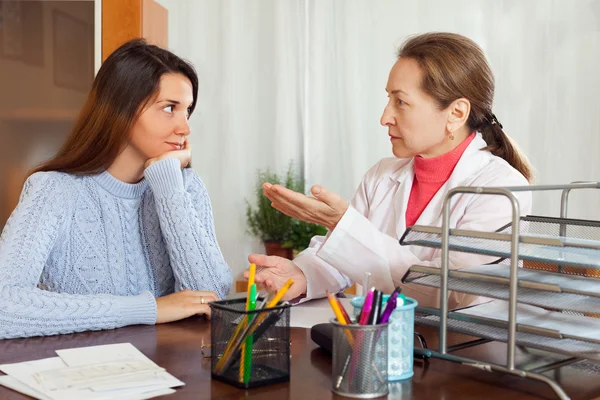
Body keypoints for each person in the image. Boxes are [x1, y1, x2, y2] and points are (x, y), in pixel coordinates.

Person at [246, 32, 533, 309]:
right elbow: (341, 258)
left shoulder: (503, 188)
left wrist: (344, 226)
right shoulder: (382, 175)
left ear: (456, 114)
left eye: (401, 102)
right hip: (388, 345)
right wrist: (303, 274)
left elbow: (454, 292)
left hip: (466, 350)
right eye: (388, 99)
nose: (385, 117)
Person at [0, 39, 232, 339]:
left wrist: (168, 186)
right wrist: (149, 309)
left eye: (187, 111)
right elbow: (4, 306)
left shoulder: (181, 186)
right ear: (121, 110)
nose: (185, 128)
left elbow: (209, 297)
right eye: (169, 108)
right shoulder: (53, 191)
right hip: (82, 374)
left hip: (169, 371)